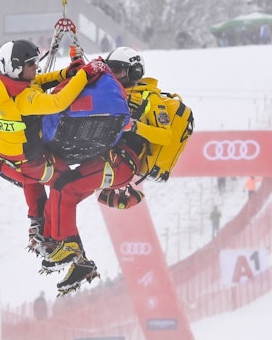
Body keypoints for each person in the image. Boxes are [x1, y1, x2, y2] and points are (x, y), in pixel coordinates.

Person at [38, 46, 172, 296]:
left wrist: (135, 126)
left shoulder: (149, 98)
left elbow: (166, 135)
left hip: (122, 161)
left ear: (135, 71)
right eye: (112, 70)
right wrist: (77, 62)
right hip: (104, 157)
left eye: (120, 70)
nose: (115, 75)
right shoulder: (111, 89)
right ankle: (76, 258)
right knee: (60, 190)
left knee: (66, 187)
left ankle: (70, 248)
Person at [0, 39, 104, 257]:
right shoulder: (24, 99)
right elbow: (59, 102)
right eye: (31, 64)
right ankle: (58, 237)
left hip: (7, 162)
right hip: (31, 164)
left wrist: (64, 74)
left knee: (46, 184)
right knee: (70, 184)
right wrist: (85, 74)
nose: (36, 66)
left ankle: (38, 226)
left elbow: (37, 81)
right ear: (17, 68)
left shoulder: (0, 85)